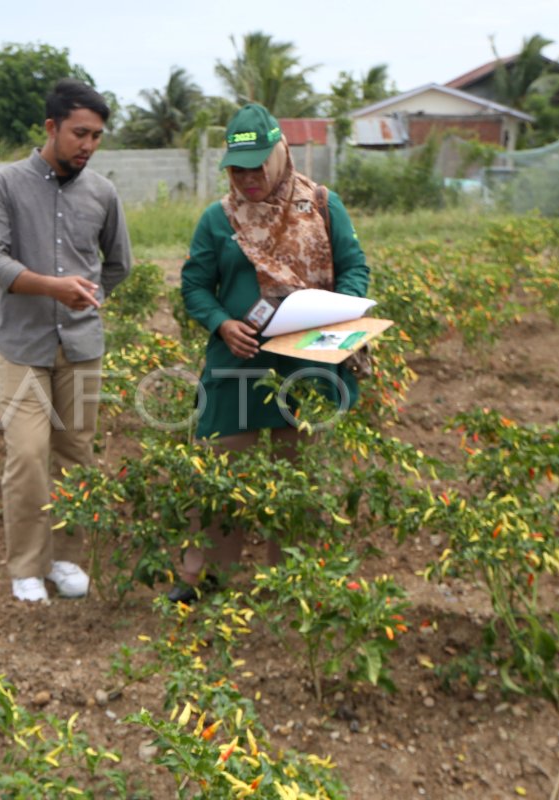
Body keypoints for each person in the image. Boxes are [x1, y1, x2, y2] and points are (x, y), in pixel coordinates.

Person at [174, 102, 369, 601]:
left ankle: (292, 584)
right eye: (238, 168)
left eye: (258, 164)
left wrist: (334, 310)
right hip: (238, 364)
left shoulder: (322, 205)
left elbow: (354, 268)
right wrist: (221, 323)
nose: (249, 177)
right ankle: (205, 579)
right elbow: (195, 286)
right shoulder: (218, 219)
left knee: (298, 479)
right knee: (220, 475)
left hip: (307, 364)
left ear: (281, 155)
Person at [0, 79, 132, 603]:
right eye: (79, 133)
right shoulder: (4, 184)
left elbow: (117, 264)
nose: (87, 145)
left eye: (96, 136)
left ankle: (66, 558)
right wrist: (53, 289)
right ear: (51, 127)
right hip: (23, 345)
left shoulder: (102, 193)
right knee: (26, 455)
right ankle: (26, 564)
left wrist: (88, 298)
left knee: (76, 456)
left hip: (82, 347)